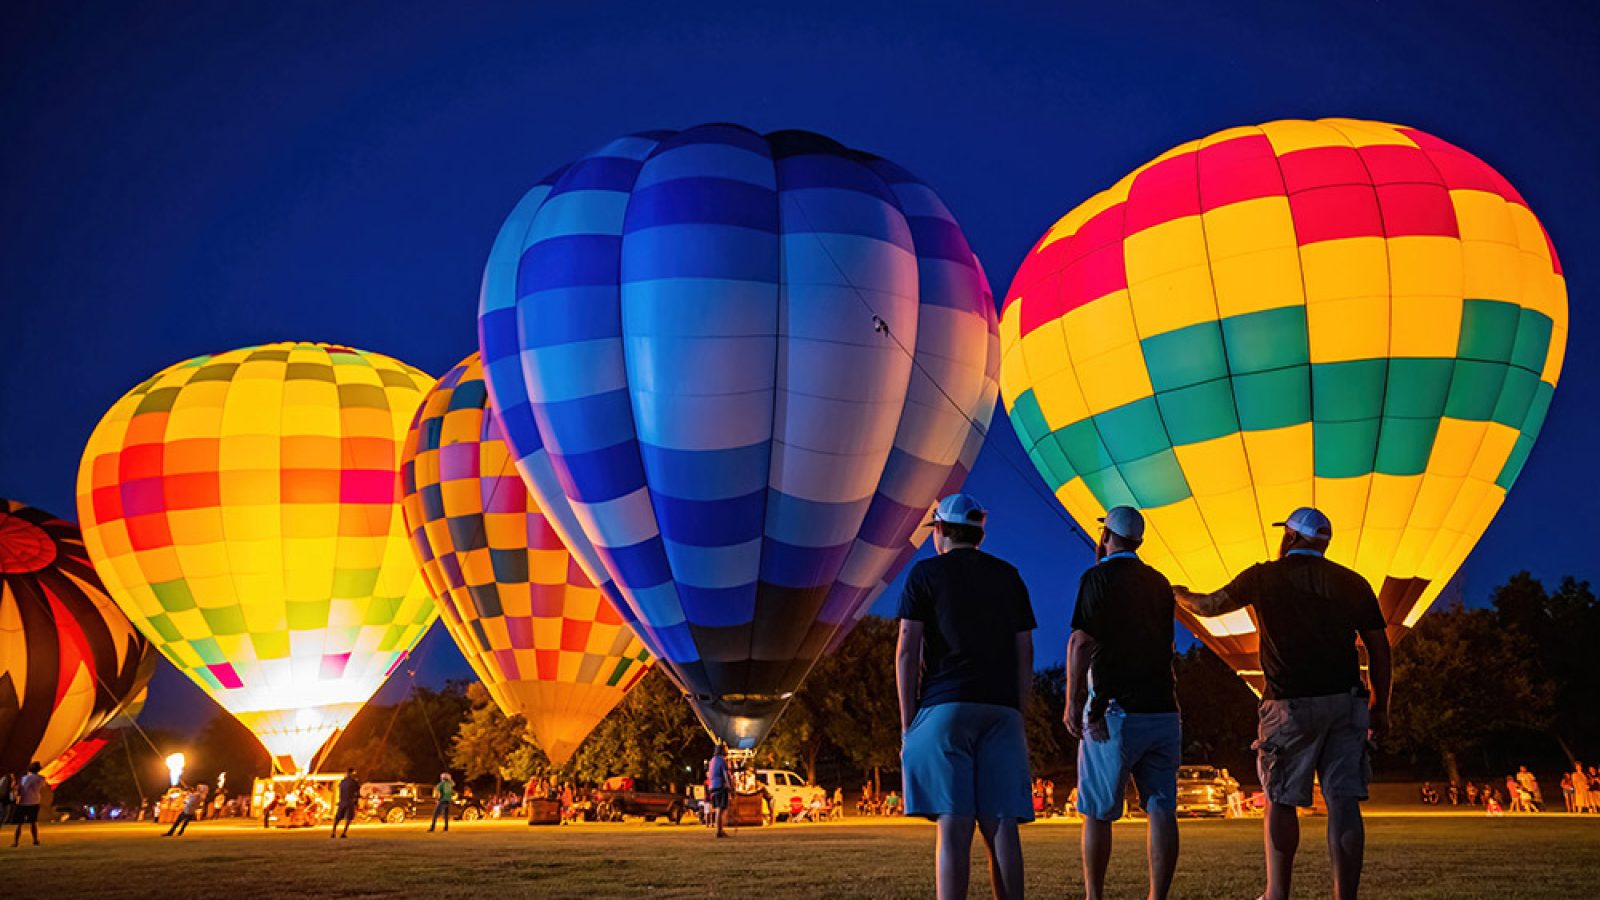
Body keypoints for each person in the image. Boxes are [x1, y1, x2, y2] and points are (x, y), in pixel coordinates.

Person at [1175, 507, 1391, 900]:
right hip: (1345, 703)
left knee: (1279, 799)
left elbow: (1208, 606)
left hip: (1288, 706)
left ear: (1289, 537)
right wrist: (1380, 705)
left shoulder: (1264, 576)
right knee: (1343, 801)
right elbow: (1379, 648)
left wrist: (1176, 594)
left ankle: (1277, 894)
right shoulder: (1353, 582)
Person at [897, 493, 1034, 900]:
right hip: (1001, 708)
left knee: (953, 824)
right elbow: (1024, 649)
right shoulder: (1008, 575)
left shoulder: (924, 574)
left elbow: (908, 647)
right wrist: (1018, 709)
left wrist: (909, 721)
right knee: (1002, 821)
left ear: (939, 531)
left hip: (945, 705)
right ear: (979, 532)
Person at [1067, 506, 1182, 900]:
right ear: (1140, 540)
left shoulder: (1096, 578)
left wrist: (1073, 702)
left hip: (1113, 711)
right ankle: (1157, 897)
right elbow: (1166, 645)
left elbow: (1081, 642)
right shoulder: (1160, 583)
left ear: (1105, 537)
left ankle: (1095, 896)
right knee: (1162, 808)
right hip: (1164, 709)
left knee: (1098, 812)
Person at [11, 762, 46, 847]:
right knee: (33, 822)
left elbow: (20, 790)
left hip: (23, 802)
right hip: (34, 802)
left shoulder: (24, 778)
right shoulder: (41, 779)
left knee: (19, 824)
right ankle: (35, 841)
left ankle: (16, 842)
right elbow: (43, 787)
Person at [708, 742, 731, 838]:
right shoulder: (722, 760)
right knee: (721, 809)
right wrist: (730, 786)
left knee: (718, 808)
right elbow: (726, 775)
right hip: (720, 786)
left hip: (713, 786)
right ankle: (719, 830)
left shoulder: (712, 760)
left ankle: (720, 830)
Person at [330, 769, 360, 838]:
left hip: (342, 801)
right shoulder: (354, 782)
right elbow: (357, 792)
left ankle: (333, 832)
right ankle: (344, 833)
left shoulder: (342, 782)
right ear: (352, 773)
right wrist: (356, 801)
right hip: (349, 802)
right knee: (348, 818)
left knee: (337, 818)